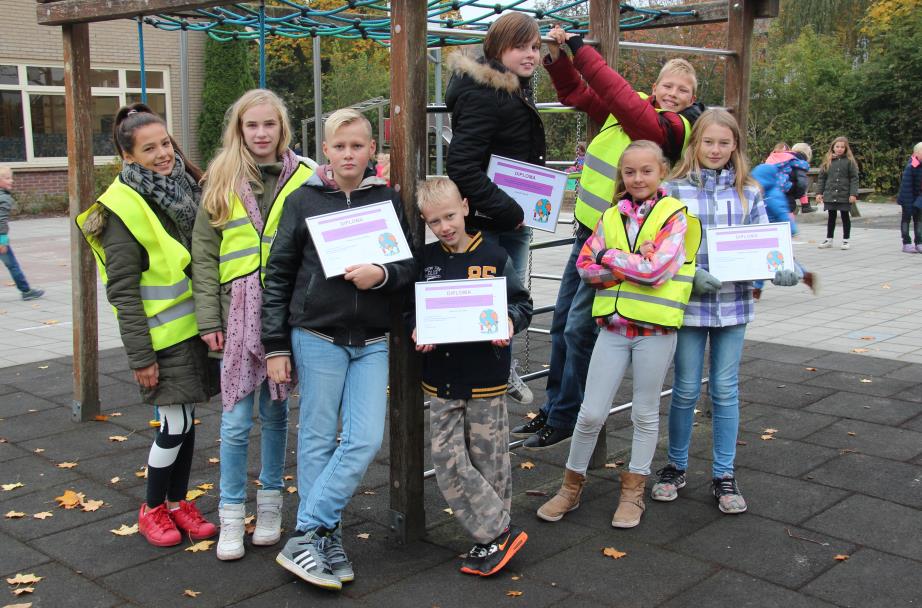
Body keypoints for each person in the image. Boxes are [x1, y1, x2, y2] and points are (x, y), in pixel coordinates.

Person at [511, 24, 705, 450]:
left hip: (618, 244)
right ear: (654, 86)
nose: (673, 94)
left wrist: (579, 48)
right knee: (563, 322)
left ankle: (566, 415)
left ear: (693, 100)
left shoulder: (674, 129)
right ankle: (554, 408)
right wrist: (559, 60)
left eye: (683, 91)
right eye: (667, 85)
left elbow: (618, 97)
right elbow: (577, 96)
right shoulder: (634, 104)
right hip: (589, 230)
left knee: (580, 327)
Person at [262, 108, 415, 591]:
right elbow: (279, 274)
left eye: (358, 146)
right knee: (317, 438)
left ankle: (306, 531)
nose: (349, 154)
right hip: (317, 335)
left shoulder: (386, 200)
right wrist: (274, 345)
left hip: (370, 339)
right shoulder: (303, 200)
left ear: (372, 151)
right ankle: (324, 537)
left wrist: (382, 274)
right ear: (325, 150)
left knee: (366, 439)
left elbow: (408, 263)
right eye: (340, 146)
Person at [537, 141, 700, 528]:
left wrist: (611, 258)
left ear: (661, 171)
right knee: (590, 412)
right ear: (621, 176)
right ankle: (570, 486)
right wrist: (628, 261)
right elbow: (585, 267)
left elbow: (658, 270)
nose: (638, 178)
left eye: (646, 170)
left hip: (654, 330)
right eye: (630, 172)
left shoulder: (675, 216)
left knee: (645, 412)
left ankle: (633, 491)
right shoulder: (611, 215)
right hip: (613, 326)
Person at [76, 103, 218, 546]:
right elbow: (122, 291)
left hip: (191, 330)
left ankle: (178, 504)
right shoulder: (122, 208)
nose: (163, 154)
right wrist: (141, 356)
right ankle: (153, 507)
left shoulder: (182, 188)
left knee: (188, 423)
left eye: (166, 143)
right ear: (128, 156)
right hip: (160, 341)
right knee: (175, 426)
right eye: (149, 148)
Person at [651, 109, 799, 514]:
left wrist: (783, 268)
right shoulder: (672, 191)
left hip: (733, 307)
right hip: (689, 305)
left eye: (724, 143)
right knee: (683, 389)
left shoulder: (748, 192)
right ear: (695, 144)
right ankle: (676, 465)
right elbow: (661, 248)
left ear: (735, 147)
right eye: (708, 142)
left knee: (725, 389)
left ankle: (723, 473)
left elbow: (765, 245)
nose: (715, 150)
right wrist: (688, 274)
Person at [193, 89, 316, 561]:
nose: (261, 134)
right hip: (235, 316)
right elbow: (203, 255)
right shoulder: (220, 177)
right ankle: (230, 514)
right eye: (251, 125)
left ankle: (269, 507)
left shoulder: (306, 176)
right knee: (236, 418)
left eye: (269, 125)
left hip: (284, 312)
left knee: (276, 413)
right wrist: (208, 317)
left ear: (282, 127)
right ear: (239, 130)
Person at [412, 177, 533, 576]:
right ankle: (500, 531)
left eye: (449, 215)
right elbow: (416, 308)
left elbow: (520, 302)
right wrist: (418, 327)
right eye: (434, 221)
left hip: (486, 377)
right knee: (447, 457)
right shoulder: (425, 261)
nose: (444, 226)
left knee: (489, 458)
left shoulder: (495, 257)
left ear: (464, 207)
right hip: (442, 376)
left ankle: (489, 541)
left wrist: (511, 323)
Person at [445, 11, 546, 406]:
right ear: (497, 48)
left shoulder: (513, 86)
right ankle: (492, 376)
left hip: (509, 215)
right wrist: (511, 210)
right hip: (493, 219)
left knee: (508, 300)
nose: (531, 54)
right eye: (521, 46)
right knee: (493, 299)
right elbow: (462, 165)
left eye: (536, 47)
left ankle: (500, 370)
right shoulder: (485, 92)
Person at [750, 163, 817, 297]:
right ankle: (756, 289)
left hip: (776, 234)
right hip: (765, 233)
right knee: (763, 259)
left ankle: (804, 274)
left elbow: (782, 213)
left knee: (780, 260)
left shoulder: (772, 195)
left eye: (757, 180)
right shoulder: (761, 194)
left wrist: (791, 230)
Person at [0, 167, 44, 301]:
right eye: (7, 178)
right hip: (0, 238)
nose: (11, 181)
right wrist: (2, 239)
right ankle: (26, 291)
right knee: (12, 265)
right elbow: (1, 219)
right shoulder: (4, 198)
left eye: (11, 177)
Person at [816, 136, 859, 250]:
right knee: (831, 216)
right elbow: (822, 178)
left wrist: (853, 194)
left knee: (845, 216)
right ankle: (829, 239)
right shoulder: (828, 161)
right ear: (833, 147)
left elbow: (854, 178)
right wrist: (819, 193)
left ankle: (846, 240)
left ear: (846, 148)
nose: (839, 149)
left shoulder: (849, 161)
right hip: (830, 194)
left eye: (842, 147)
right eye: (837, 146)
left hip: (844, 194)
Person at [764, 142, 811, 213]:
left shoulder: (770, 159)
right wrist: (798, 194)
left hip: (770, 192)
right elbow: (802, 183)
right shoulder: (792, 160)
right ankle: (805, 205)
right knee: (788, 216)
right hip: (786, 190)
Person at [896, 142, 922, 253]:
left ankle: (919, 242)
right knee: (906, 220)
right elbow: (906, 186)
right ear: (916, 153)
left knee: (919, 221)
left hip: (919, 199)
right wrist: (908, 204)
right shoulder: (911, 166)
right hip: (907, 198)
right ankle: (906, 242)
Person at [790, 142, 815, 213]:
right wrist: (800, 193)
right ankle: (805, 206)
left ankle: (804, 205)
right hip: (789, 188)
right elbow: (802, 183)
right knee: (802, 186)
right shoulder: (800, 162)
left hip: (782, 186)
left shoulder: (788, 158)